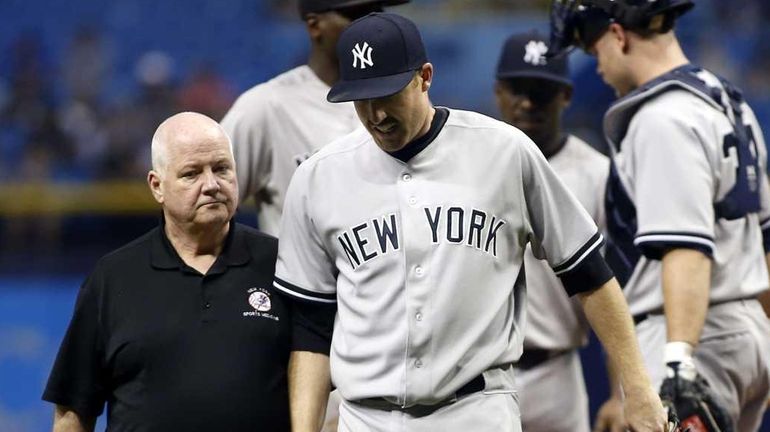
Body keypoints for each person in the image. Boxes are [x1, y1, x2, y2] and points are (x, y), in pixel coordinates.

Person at [273, 12, 668, 432]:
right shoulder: (318, 176)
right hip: (366, 417)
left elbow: (591, 277)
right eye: (361, 99)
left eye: (387, 95)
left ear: (424, 77)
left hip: (475, 411)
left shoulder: (504, 151)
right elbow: (311, 328)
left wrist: (638, 389)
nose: (376, 115)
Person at [547, 1, 770, 430]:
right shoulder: (727, 101)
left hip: (690, 336)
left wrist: (679, 361)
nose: (597, 67)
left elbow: (685, 248)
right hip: (745, 331)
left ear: (618, 35)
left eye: (595, 52)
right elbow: (766, 236)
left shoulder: (661, 117)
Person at [42, 112, 311, 431]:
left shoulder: (284, 263)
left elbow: (322, 384)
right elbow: (73, 410)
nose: (211, 185)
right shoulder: (113, 279)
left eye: (222, 168)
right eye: (192, 174)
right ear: (157, 186)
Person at [494, 30, 609, 432]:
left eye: (541, 90)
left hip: (557, 374)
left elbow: (619, 289)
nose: (528, 102)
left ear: (566, 95)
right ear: (498, 92)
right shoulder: (471, 165)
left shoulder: (598, 174)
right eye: (518, 89)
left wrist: (622, 391)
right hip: (482, 377)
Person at [220, 0, 409, 236]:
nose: (370, 24)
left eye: (376, 11)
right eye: (355, 14)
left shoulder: (402, 98)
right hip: (302, 270)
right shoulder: (266, 105)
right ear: (314, 25)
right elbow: (207, 204)